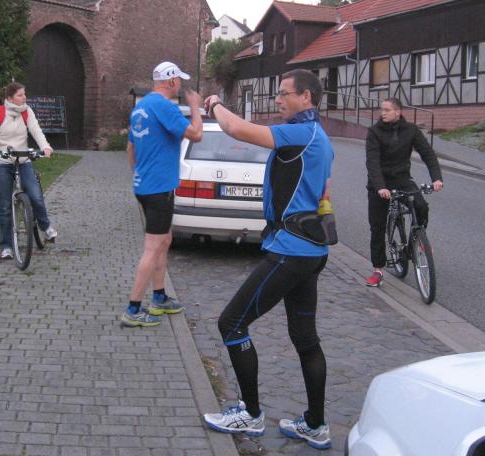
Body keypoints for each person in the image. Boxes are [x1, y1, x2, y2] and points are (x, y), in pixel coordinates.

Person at [201, 69, 334, 450]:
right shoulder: (320, 137)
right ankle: (316, 425)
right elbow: (324, 191)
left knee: (231, 323)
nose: (278, 100)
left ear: (306, 97)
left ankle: (251, 414)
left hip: (291, 251)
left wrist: (215, 104)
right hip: (310, 251)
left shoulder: (301, 132)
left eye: (284, 93)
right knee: (305, 338)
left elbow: (237, 129)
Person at [121, 61, 204, 327]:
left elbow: (130, 149)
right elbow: (196, 134)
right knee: (152, 247)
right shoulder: (165, 106)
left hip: (144, 186)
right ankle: (133, 309)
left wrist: (138, 175)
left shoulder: (140, 107)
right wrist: (195, 107)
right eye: (178, 80)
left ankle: (159, 297)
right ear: (171, 81)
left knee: (164, 240)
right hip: (160, 189)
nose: (180, 85)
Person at [364, 97, 443, 287]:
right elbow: (372, 162)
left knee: (421, 205)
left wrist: (436, 178)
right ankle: (378, 270)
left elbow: (427, 153)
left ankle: (417, 240)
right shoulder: (374, 132)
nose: (383, 113)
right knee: (377, 226)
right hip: (379, 183)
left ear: (398, 112)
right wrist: (380, 187)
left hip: (401, 179)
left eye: (387, 110)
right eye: (382, 110)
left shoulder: (411, 130)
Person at [0, 82, 57, 260]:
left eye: (24, 94)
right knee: (5, 205)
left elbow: (36, 131)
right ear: (10, 98)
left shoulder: (27, 112)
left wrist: (45, 147)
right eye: (20, 95)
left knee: (36, 195)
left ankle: (45, 227)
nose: (24, 97)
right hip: (2, 161)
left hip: (23, 159)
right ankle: (6, 246)